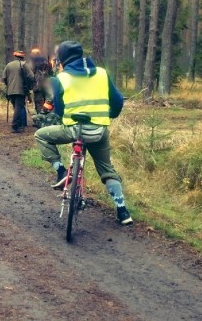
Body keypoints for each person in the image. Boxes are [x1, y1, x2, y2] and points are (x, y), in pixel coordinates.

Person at [34, 41, 132, 225]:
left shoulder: (60, 79)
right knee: (106, 169)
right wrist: (107, 115)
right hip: (98, 131)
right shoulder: (102, 73)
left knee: (40, 135)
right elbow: (118, 102)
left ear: (63, 60)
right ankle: (123, 211)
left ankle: (61, 171)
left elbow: (60, 111)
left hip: (73, 130)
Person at [3, 50, 35, 133]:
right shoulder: (24, 65)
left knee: (16, 107)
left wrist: (9, 85)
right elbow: (31, 76)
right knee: (18, 108)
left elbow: (4, 78)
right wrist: (29, 85)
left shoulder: (8, 65)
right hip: (20, 90)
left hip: (10, 91)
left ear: (15, 56)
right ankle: (15, 126)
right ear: (22, 57)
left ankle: (20, 125)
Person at [30, 50, 53, 115]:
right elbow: (51, 73)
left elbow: (31, 74)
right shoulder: (47, 62)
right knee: (48, 102)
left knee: (38, 102)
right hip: (47, 85)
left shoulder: (33, 62)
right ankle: (47, 117)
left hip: (37, 86)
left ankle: (39, 118)